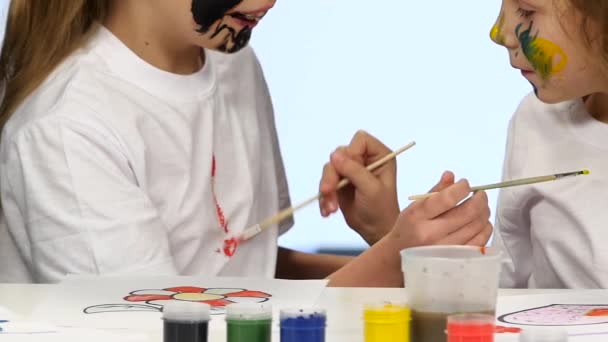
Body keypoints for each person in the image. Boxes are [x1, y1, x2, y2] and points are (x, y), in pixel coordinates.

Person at [0, 0, 492, 285]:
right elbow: (154, 326)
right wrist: (390, 262)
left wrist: (401, 253)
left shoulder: (232, 62)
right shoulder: (65, 128)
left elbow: (239, 272)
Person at [487, 0, 608, 288]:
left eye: (527, 12)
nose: (499, 34)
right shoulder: (536, 120)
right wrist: (391, 235)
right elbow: (504, 287)